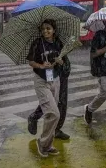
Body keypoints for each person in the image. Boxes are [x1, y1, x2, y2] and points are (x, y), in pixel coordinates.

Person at [27, 19, 64, 157]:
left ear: (54, 29)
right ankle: (42, 143)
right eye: (43, 29)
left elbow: (62, 59)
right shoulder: (37, 43)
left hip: (55, 79)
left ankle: (48, 145)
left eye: (48, 28)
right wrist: (41, 66)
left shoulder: (58, 43)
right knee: (54, 113)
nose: (45, 31)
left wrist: (60, 61)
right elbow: (31, 61)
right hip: (41, 80)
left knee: (50, 114)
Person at [27, 52, 71, 140]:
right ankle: (35, 116)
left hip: (61, 73)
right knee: (51, 99)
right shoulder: (43, 43)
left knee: (61, 101)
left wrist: (62, 63)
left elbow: (66, 64)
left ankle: (56, 129)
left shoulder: (60, 43)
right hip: (50, 73)